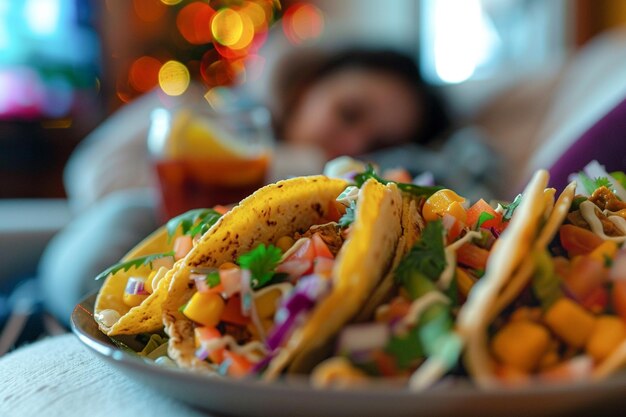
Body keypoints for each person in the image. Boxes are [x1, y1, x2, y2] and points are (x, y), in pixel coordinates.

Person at [40, 45, 453, 324]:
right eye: (347, 113)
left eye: (377, 146)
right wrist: (304, 164)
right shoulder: (195, 106)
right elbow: (94, 175)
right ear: (308, 85)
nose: (352, 145)